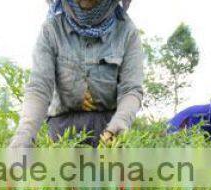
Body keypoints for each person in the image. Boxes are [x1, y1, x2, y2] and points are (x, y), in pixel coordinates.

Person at [9, 0, 143, 148]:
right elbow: (39, 88)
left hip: (108, 127)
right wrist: (25, 135)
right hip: (62, 129)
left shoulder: (126, 31)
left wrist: (119, 124)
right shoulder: (52, 29)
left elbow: (131, 90)